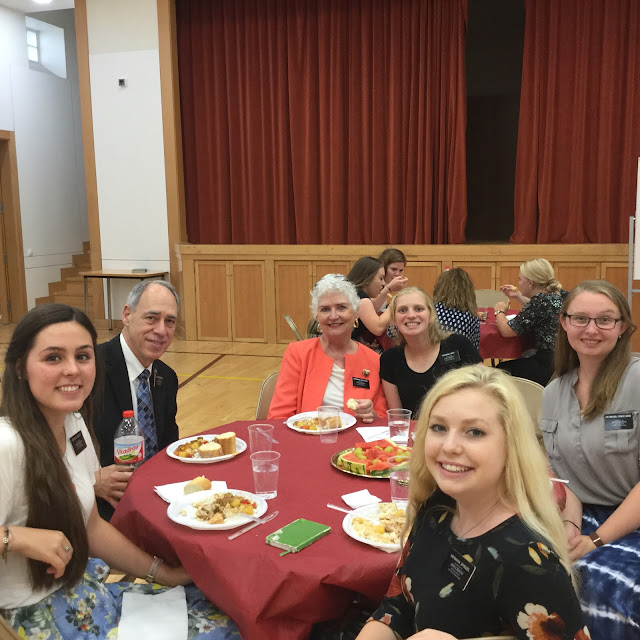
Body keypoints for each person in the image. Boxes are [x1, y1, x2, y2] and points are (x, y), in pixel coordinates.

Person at [0, 304, 239, 638]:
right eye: (53, 358)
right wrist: (13, 537)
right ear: (20, 368)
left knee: (229, 609)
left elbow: (92, 527)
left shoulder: (73, 424)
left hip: (84, 595)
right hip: (38, 618)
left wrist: (162, 573)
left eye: (83, 356)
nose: (73, 370)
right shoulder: (8, 443)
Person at [356, 366, 589, 640]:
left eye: (475, 432)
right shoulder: (437, 509)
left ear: (510, 445)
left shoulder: (527, 558)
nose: (449, 446)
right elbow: (399, 604)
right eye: (439, 427)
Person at [541, 280, 640, 638]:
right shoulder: (553, 392)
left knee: (609, 583)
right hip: (582, 516)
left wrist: (595, 540)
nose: (591, 330)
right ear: (564, 323)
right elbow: (563, 477)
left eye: (605, 320)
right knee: (534, 565)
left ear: (623, 327)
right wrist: (570, 528)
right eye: (580, 318)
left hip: (630, 519)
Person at [93, 280, 180, 521]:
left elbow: (168, 449)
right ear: (127, 315)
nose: (161, 330)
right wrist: (90, 481)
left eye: (170, 321)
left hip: (156, 499)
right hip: (100, 509)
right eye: (151, 318)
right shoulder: (91, 369)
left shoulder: (166, 377)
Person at [268, 274, 387, 422]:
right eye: (325, 309)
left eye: (341, 307)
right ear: (317, 316)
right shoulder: (298, 353)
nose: (333, 316)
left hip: (358, 437)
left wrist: (372, 415)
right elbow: (279, 416)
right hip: (307, 434)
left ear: (356, 312)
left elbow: (382, 420)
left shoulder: (374, 360)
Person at [381, 287, 481, 416]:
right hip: (414, 428)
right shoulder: (390, 359)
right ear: (394, 319)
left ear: (431, 315)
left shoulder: (458, 345)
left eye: (419, 309)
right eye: (402, 310)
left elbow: (487, 387)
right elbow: (398, 417)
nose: (411, 315)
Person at [494, 258, 567, 385]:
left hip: (546, 365)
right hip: (562, 361)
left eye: (520, 279)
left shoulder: (540, 301)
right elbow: (538, 311)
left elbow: (507, 331)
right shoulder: (559, 294)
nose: (518, 283)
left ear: (531, 283)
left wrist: (499, 311)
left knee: (497, 372)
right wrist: (518, 295)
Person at [347, 257, 405, 353]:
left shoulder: (354, 293)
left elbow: (372, 307)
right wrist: (396, 302)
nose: (383, 283)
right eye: (381, 278)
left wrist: (389, 289)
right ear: (368, 278)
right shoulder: (360, 297)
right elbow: (378, 328)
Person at [432, 268, 481, 350]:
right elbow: (474, 348)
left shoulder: (431, 311)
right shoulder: (471, 316)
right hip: (460, 357)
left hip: (430, 356)